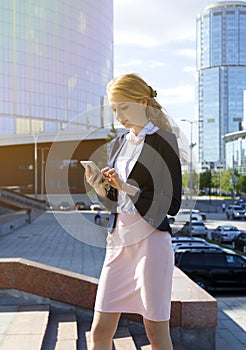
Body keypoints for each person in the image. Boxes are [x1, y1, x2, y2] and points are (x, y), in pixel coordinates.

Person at [85, 73, 182, 350]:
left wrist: (127, 187)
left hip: (150, 243)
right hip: (118, 243)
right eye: (114, 109)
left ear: (142, 102)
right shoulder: (118, 144)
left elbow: (172, 204)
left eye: (124, 107)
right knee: (100, 331)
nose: (119, 116)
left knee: (156, 333)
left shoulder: (164, 142)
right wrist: (101, 187)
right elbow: (115, 200)